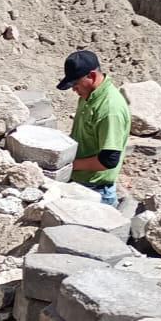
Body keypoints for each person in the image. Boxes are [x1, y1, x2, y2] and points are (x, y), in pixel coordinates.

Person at [57, 49, 130, 208]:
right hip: (79, 183)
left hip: (96, 192)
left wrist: (70, 165)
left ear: (91, 76)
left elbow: (109, 159)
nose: (73, 89)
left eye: (75, 84)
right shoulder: (88, 95)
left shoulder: (110, 109)